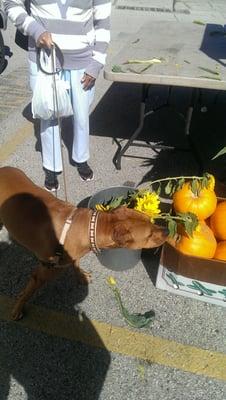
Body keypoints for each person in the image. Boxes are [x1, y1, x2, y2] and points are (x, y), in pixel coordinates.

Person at [4, 0, 111, 191]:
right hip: (43, 56)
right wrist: (36, 30)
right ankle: (51, 166)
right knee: (48, 113)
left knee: (81, 115)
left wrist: (96, 64)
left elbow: (103, 22)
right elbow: (11, 4)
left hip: (83, 59)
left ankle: (81, 158)